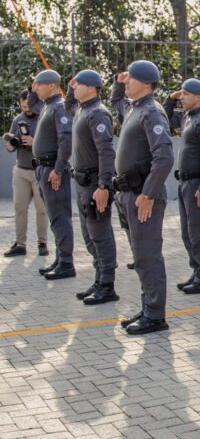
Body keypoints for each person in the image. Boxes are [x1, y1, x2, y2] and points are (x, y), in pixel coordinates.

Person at [111, 60, 174, 335]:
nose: (126, 82)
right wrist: (118, 79)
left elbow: (164, 158)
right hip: (128, 194)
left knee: (147, 255)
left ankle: (155, 315)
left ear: (146, 84)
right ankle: (148, 306)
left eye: (131, 79)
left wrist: (148, 194)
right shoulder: (133, 108)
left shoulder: (152, 112)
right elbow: (116, 100)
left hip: (142, 197)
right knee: (139, 254)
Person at [65, 70, 120, 305]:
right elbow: (68, 104)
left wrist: (104, 185)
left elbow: (106, 152)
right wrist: (69, 88)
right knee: (89, 235)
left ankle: (107, 285)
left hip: (94, 184)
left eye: (79, 85)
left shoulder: (97, 113)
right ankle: (99, 278)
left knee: (101, 234)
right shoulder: (81, 109)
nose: (75, 87)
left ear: (91, 88)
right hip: (81, 183)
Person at [165, 79, 200, 295]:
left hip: (198, 184)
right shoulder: (189, 117)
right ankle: (198, 272)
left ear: (199, 96)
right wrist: (171, 97)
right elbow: (166, 114)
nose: (182, 97)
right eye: (182, 94)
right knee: (188, 234)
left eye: (186, 94)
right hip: (186, 182)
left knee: (199, 234)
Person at [31, 69, 75, 280]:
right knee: (54, 216)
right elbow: (31, 104)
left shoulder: (59, 107)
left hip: (52, 169)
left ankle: (66, 263)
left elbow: (65, 141)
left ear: (51, 86)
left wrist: (58, 169)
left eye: (38, 85)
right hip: (43, 169)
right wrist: (33, 88)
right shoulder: (46, 106)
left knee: (60, 216)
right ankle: (60, 258)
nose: (35, 88)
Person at [3, 88, 48, 258]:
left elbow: (51, 142)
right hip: (20, 170)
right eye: (23, 106)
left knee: (41, 210)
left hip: (38, 171)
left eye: (28, 106)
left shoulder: (43, 117)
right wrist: (11, 146)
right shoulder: (17, 119)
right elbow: (11, 143)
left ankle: (42, 243)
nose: (26, 109)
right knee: (19, 208)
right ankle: (20, 244)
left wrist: (33, 141)